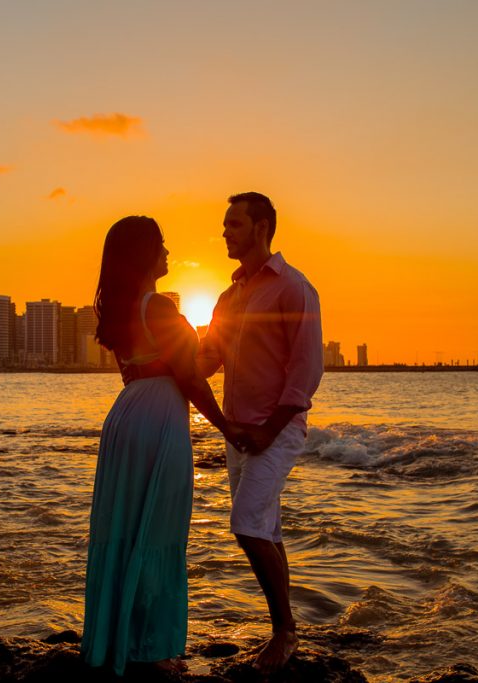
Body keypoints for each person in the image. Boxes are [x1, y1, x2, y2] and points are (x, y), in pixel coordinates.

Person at [81, 215, 242, 677]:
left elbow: (157, 369)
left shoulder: (120, 309)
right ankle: (151, 648)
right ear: (144, 254)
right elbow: (189, 378)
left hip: (128, 415)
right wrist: (229, 427)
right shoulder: (160, 308)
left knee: (125, 530)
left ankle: (117, 639)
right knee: (160, 531)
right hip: (159, 421)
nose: (168, 253)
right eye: (161, 245)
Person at [198, 192, 324, 675]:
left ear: (262, 227)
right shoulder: (229, 297)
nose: (225, 232)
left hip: (278, 428)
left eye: (234, 223)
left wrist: (269, 430)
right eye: (225, 224)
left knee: (246, 525)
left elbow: (306, 368)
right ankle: (285, 629)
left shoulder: (294, 288)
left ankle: (285, 631)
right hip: (238, 431)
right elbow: (208, 358)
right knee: (266, 528)